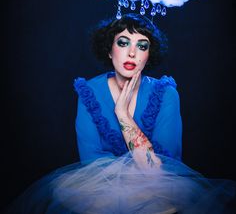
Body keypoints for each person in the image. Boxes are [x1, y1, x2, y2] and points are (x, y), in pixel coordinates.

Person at [4, 13, 236, 214]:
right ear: (109, 50)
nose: (132, 53)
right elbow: (91, 163)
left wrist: (123, 115)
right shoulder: (89, 92)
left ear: (149, 55)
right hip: (99, 192)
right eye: (123, 43)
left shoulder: (165, 94)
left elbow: (159, 171)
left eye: (142, 46)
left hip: (157, 191)